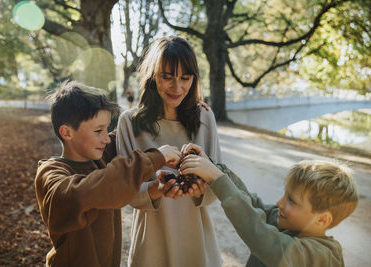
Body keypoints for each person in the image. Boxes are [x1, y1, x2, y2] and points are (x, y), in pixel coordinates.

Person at [35, 80, 181, 267]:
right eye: (98, 131)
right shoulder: (51, 175)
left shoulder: (99, 152)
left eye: (106, 129)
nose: (106, 138)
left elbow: (130, 127)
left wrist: (186, 106)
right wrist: (155, 158)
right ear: (67, 132)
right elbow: (94, 189)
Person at [116, 36, 223, 267]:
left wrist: (200, 190)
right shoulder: (129, 123)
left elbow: (219, 184)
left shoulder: (205, 117)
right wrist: (156, 189)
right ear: (153, 75)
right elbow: (124, 191)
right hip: (151, 245)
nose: (177, 87)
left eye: (185, 78)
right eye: (168, 77)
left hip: (197, 241)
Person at [179, 143, 359, 267]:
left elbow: (263, 238)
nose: (280, 202)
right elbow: (251, 204)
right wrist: (217, 169)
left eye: (292, 200)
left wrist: (218, 180)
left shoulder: (321, 255)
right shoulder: (286, 223)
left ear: (322, 219)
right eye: (285, 195)